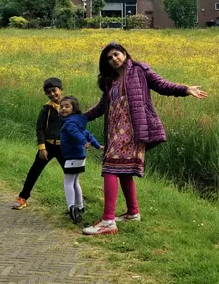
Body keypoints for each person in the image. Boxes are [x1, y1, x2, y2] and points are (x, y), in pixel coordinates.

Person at [81, 42, 208, 235]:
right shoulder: (111, 81)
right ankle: (132, 212)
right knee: (123, 171)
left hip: (133, 130)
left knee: (110, 168)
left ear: (124, 54)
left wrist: (185, 89)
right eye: (109, 58)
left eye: (116, 54)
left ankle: (108, 221)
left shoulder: (140, 70)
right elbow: (102, 107)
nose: (114, 59)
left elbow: (162, 85)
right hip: (115, 131)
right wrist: (80, 117)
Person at [12, 77, 65, 210]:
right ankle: (22, 197)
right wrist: (42, 148)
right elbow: (40, 128)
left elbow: (77, 125)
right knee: (34, 172)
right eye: (49, 92)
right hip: (48, 146)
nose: (52, 94)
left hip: (64, 147)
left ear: (61, 90)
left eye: (54, 91)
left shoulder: (69, 106)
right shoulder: (46, 109)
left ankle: (77, 201)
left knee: (71, 175)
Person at [58, 95, 102, 224]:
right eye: (61, 107)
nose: (63, 109)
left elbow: (76, 134)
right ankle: (80, 206)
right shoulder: (78, 120)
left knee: (68, 182)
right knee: (75, 181)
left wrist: (84, 142)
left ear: (74, 108)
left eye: (67, 106)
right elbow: (87, 133)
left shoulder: (70, 122)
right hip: (80, 156)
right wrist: (97, 145)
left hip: (72, 155)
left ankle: (71, 207)